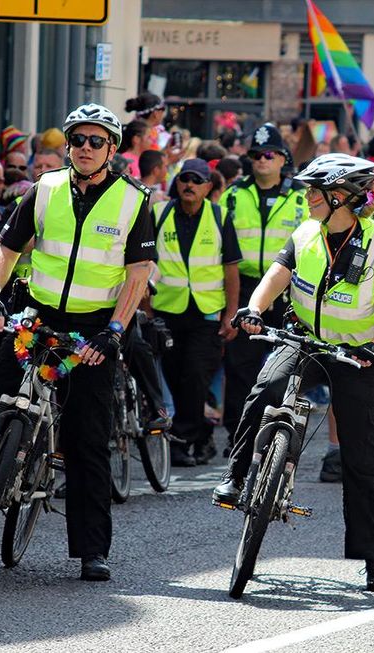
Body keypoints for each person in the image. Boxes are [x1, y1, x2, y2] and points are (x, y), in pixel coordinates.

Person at [0, 103, 155, 582]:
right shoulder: (42, 189)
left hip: (92, 332)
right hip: (39, 319)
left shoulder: (134, 199)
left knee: (88, 438)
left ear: (112, 148)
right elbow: (6, 248)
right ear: (67, 146)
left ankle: (91, 551)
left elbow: (137, 274)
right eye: (78, 140)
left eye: (96, 141)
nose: (85, 149)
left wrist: (115, 330)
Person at [213, 153, 374, 591]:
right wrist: (254, 308)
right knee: (264, 388)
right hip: (304, 337)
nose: (307, 197)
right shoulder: (304, 233)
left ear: (342, 197)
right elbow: (276, 275)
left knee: (363, 458)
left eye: (315, 191)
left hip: (356, 353)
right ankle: (238, 475)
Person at [218, 124, 306, 454]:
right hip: (246, 288)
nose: (261, 160)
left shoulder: (301, 195)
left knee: (287, 366)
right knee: (240, 365)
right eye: (255, 155)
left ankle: (277, 432)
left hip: (290, 289)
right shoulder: (234, 194)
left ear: (283, 158)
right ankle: (238, 435)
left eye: (268, 154)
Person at [152, 159, 240, 466]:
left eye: (197, 181)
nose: (189, 185)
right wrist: (145, 309)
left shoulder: (219, 216)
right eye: (184, 179)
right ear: (177, 183)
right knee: (176, 377)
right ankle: (202, 434)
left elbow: (231, 269)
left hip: (206, 314)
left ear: (208, 187)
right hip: (166, 310)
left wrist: (231, 313)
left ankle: (180, 441)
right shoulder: (158, 214)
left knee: (194, 376)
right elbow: (143, 262)